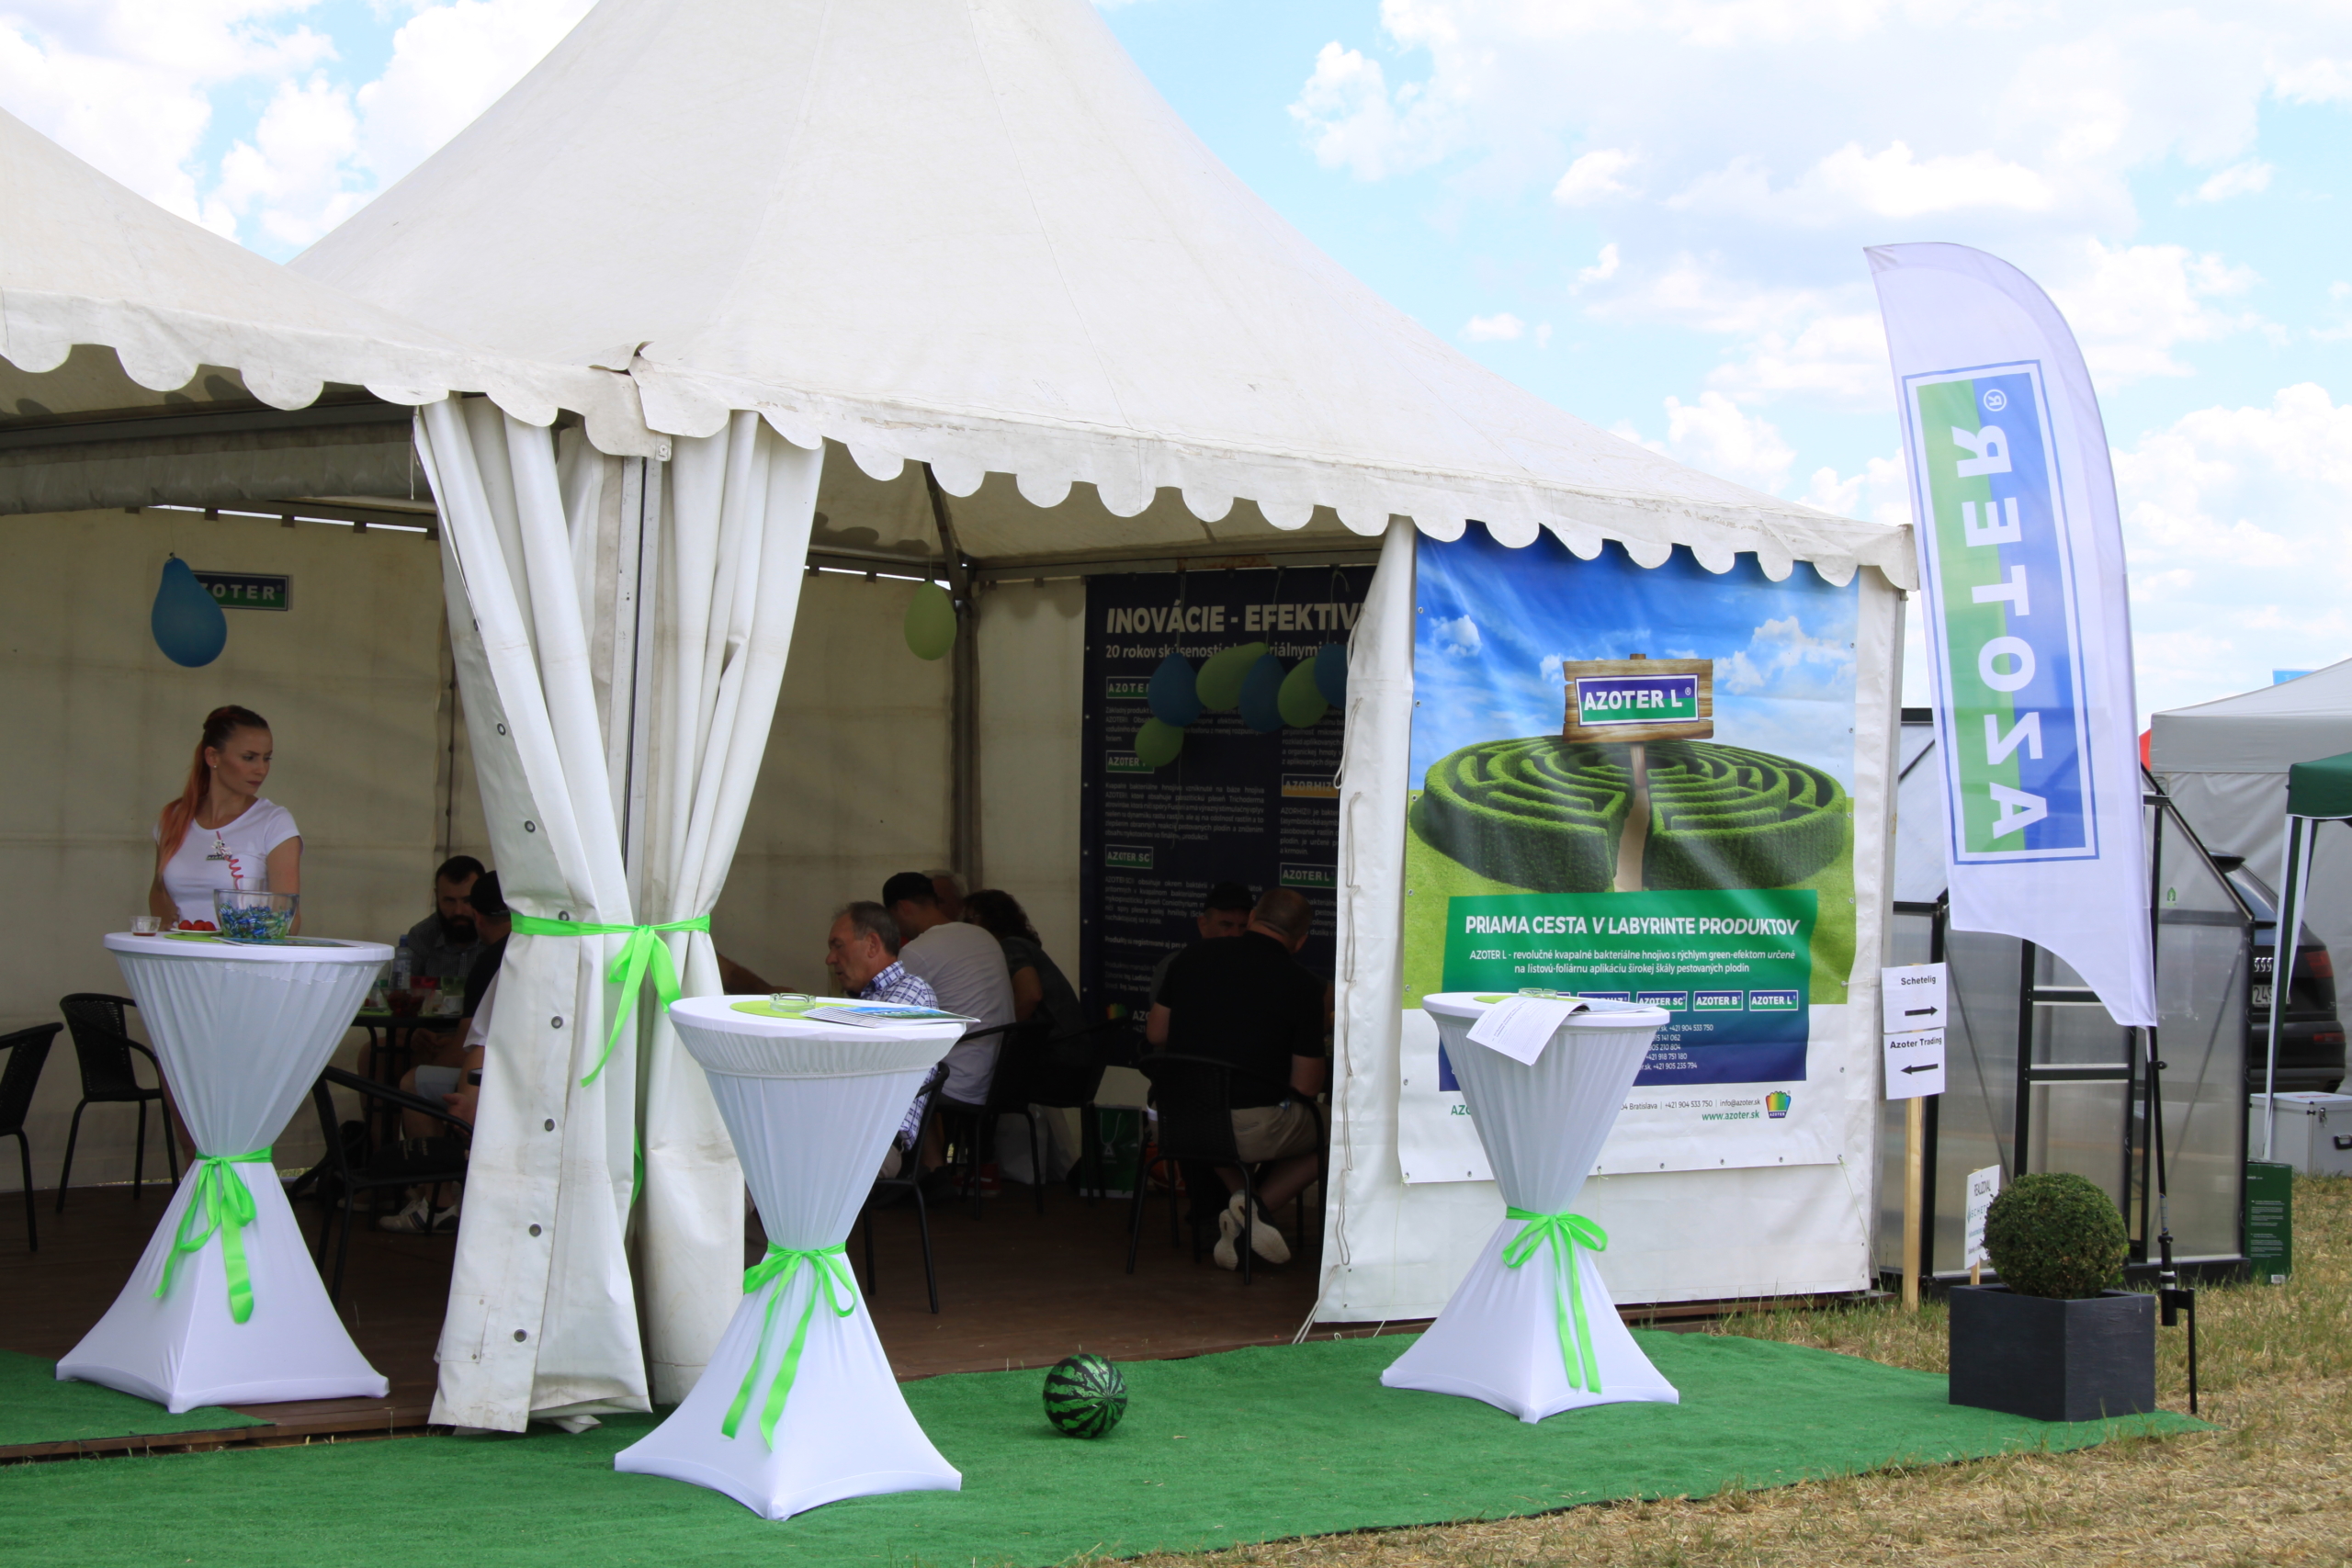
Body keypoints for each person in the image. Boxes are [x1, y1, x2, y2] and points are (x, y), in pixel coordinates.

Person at [1146, 888, 1329, 1271]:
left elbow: (1157, 1034)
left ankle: (1244, 1209)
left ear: (1254, 918)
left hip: (1178, 1118)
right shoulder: (1305, 986)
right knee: (1340, 1132)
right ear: (1301, 941)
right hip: (1247, 1129)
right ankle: (1250, 1212)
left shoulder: (1189, 958)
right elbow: (1307, 1087)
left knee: (1219, 1115)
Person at [379, 874, 512, 1234]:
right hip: (535, 1076)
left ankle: (437, 1203)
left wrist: (440, 1062)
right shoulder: (544, 949)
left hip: (493, 1079)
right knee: (382, 1057)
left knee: (414, 1081)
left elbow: (474, 1044)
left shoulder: (493, 961)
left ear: (478, 916)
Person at [148, 705, 301, 930]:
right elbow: (159, 893)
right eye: (249, 758)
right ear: (212, 756)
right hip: (181, 950)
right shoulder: (173, 818)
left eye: (267, 758)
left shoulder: (274, 822)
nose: (261, 769)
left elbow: (288, 919)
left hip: (243, 952)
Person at [824, 901, 942, 1179]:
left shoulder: (911, 991)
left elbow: (855, 1063)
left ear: (872, 945)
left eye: (838, 946)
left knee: (753, 1171)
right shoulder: (866, 1000)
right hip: (840, 1133)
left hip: (868, 1141)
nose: (830, 959)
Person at [882, 871, 1015, 1108]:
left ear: (902, 908)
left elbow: (886, 1018)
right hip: (1000, 1080)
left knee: (878, 1078)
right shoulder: (982, 936)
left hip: (957, 1082)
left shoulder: (917, 951)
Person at [962, 889, 1082, 1039]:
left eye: (970, 920)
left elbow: (1031, 995)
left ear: (992, 918)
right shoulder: (1018, 945)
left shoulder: (1010, 947)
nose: (966, 927)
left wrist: (1002, 1035)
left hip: (1057, 1045)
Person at [1148, 881, 1254, 1006]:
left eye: (1243, 926)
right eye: (1226, 925)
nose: (1236, 934)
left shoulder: (1257, 969)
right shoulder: (1174, 966)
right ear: (1203, 925)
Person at [401, 855, 487, 985]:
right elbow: (403, 990)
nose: (458, 911)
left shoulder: (501, 933)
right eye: (449, 901)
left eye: (468, 901)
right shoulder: (422, 936)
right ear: (437, 896)